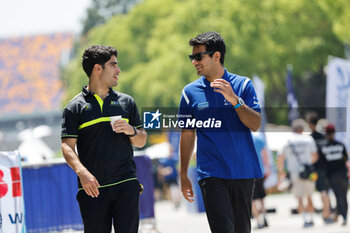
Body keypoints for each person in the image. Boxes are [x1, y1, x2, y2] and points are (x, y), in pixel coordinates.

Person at [178, 31, 262, 233]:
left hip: (243, 170)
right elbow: (187, 134)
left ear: (216, 56)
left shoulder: (243, 85)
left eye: (198, 57)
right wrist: (183, 173)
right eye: (192, 57)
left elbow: (256, 123)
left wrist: (235, 101)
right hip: (211, 172)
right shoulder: (189, 93)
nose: (194, 62)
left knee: (242, 229)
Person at [61, 45, 147, 233]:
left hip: (126, 184)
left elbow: (141, 140)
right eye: (113, 65)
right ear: (98, 69)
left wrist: (131, 130)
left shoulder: (127, 102)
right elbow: (67, 147)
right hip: (93, 189)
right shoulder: (74, 108)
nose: (118, 70)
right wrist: (83, 174)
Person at [277, 119, 318, 228]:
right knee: (309, 196)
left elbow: (280, 159)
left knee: (299, 197)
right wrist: (308, 164)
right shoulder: (308, 139)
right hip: (308, 173)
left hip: (294, 172)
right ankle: (311, 218)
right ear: (302, 129)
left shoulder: (287, 141)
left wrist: (282, 173)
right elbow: (315, 156)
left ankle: (305, 219)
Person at [305, 111, 333, 224]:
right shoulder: (324, 137)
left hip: (312, 170)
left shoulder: (308, 139)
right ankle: (327, 215)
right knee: (324, 191)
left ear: (310, 124)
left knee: (309, 192)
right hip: (324, 169)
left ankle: (311, 217)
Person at [321, 123, 348, 226]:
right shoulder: (341, 145)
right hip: (343, 175)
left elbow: (323, 164)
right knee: (344, 196)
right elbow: (345, 159)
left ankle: (343, 216)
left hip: (332, 176)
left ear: (326, 134)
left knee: (338, 197)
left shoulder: (324, 148)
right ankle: (343, 215)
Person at [251, 132, 270, 229]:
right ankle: (265, 217)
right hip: (260, 170)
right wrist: (267, 168)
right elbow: (265, 154)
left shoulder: (242, 136)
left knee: (252, 198)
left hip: (248, 172)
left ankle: (258, 221)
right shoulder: (259, 137)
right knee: (261, 197)